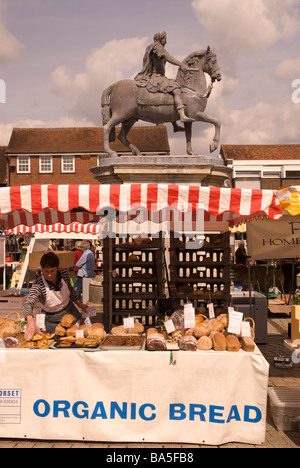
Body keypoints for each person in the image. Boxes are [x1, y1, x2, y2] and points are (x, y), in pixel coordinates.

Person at [24, 252, 88, 340]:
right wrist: (30, 321)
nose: (49, 275)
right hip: (52, 319)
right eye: (46, 272)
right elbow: (28, 303)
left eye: (52, 271)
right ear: (42, 269)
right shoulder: (39, 284)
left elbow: (70, 289)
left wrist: (79, 303)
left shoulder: (64, 273)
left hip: (70, 313)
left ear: (57, 268)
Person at [134, 30, 194, 123]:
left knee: (169, 96)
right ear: (161, 39)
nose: (166, 41)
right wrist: (182, 65)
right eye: (165, 39)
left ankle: (174, 124)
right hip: (156, 78)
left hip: (158, 77)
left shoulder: (151, 47)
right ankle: (182, 115)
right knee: (176, 88)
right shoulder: (158, 47)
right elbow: (168, 57)